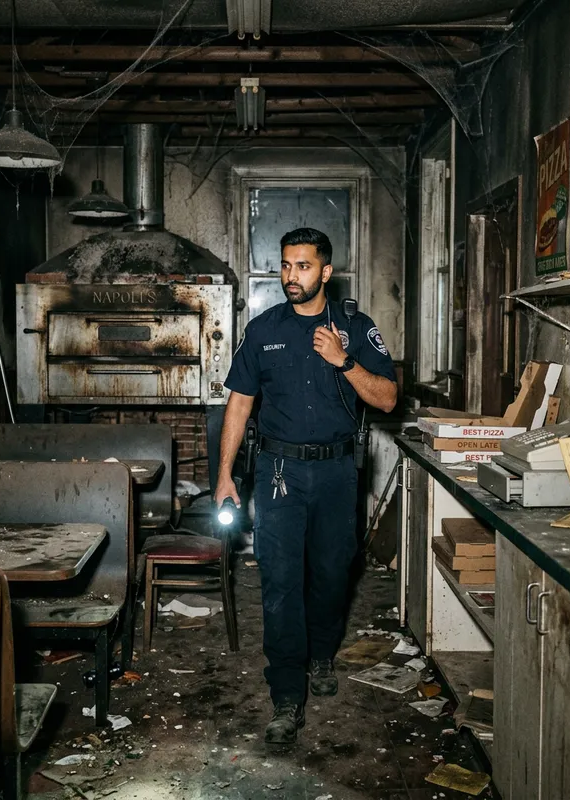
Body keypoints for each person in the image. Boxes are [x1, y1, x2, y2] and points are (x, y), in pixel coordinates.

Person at [215, 227, 398, 744]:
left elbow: (386, 399)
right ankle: (287, 694)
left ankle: (322, 655)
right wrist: (225, 475)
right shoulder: (263, 329)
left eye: (302, 266)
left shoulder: (356, 329)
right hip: (279, 473)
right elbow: (240, 405)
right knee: (278, 583)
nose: (291, 276)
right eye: (286, 265)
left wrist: (344, 361)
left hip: (337, 473)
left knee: (331, 576)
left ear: (325, 272)